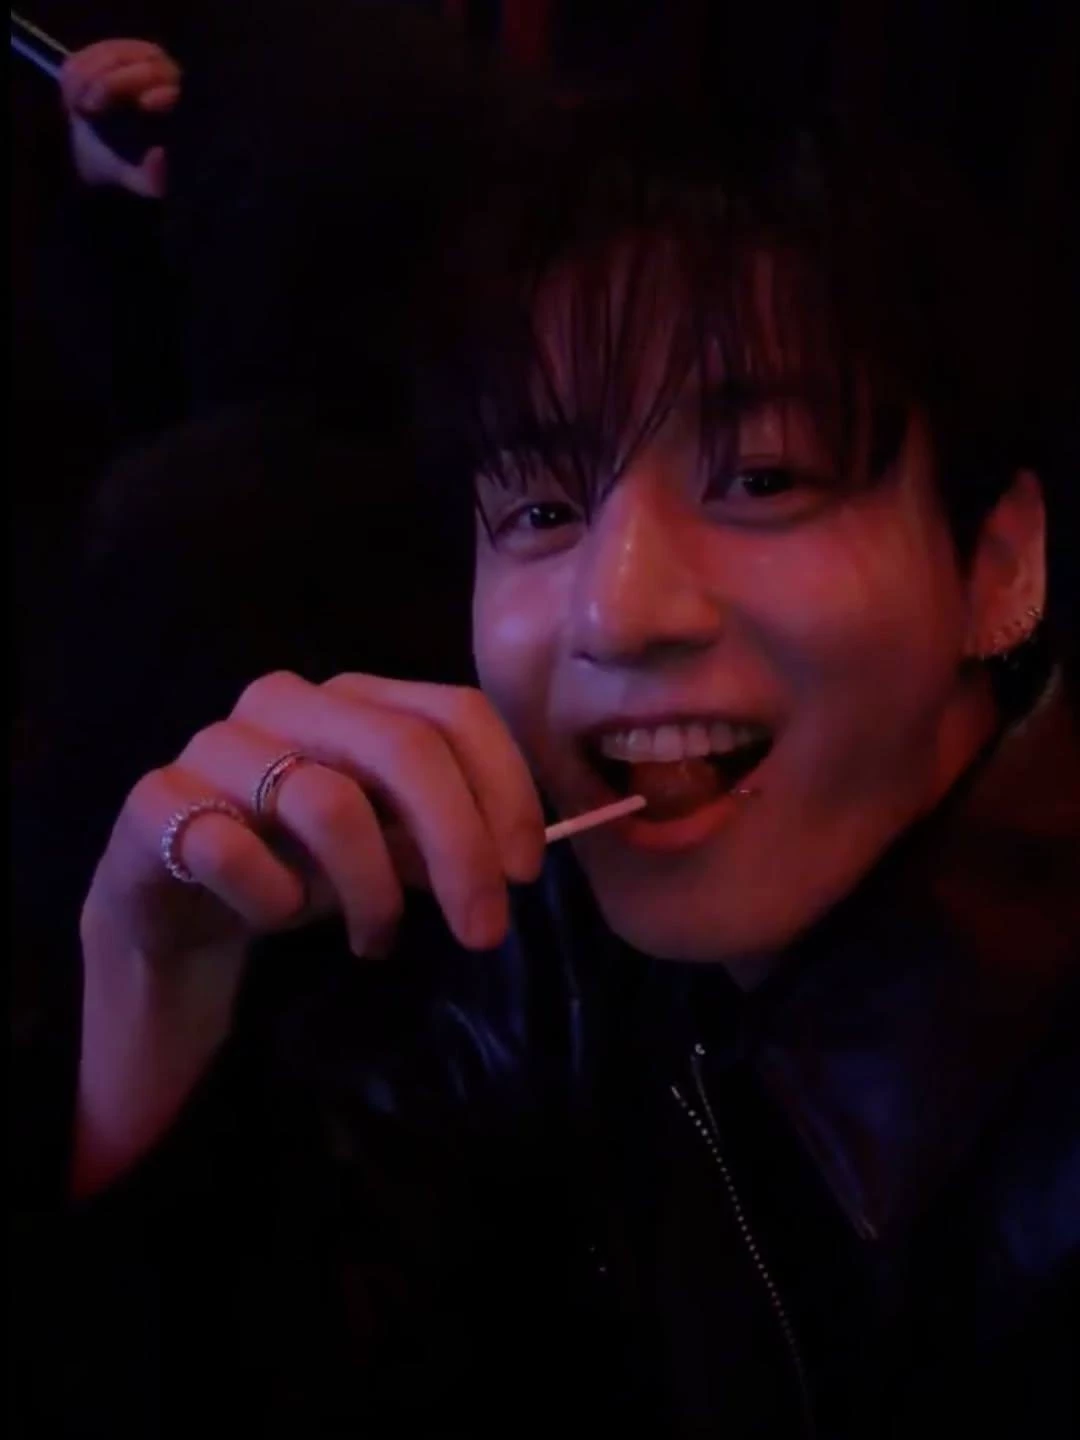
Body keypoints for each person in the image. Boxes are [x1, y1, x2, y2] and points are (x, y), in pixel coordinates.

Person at [21, 22, 1079, 1440]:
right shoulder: (523, 945)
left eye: (763, 477)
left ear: (1000, 564)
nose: (615, 611)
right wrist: (150, 982)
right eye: (539, 506)